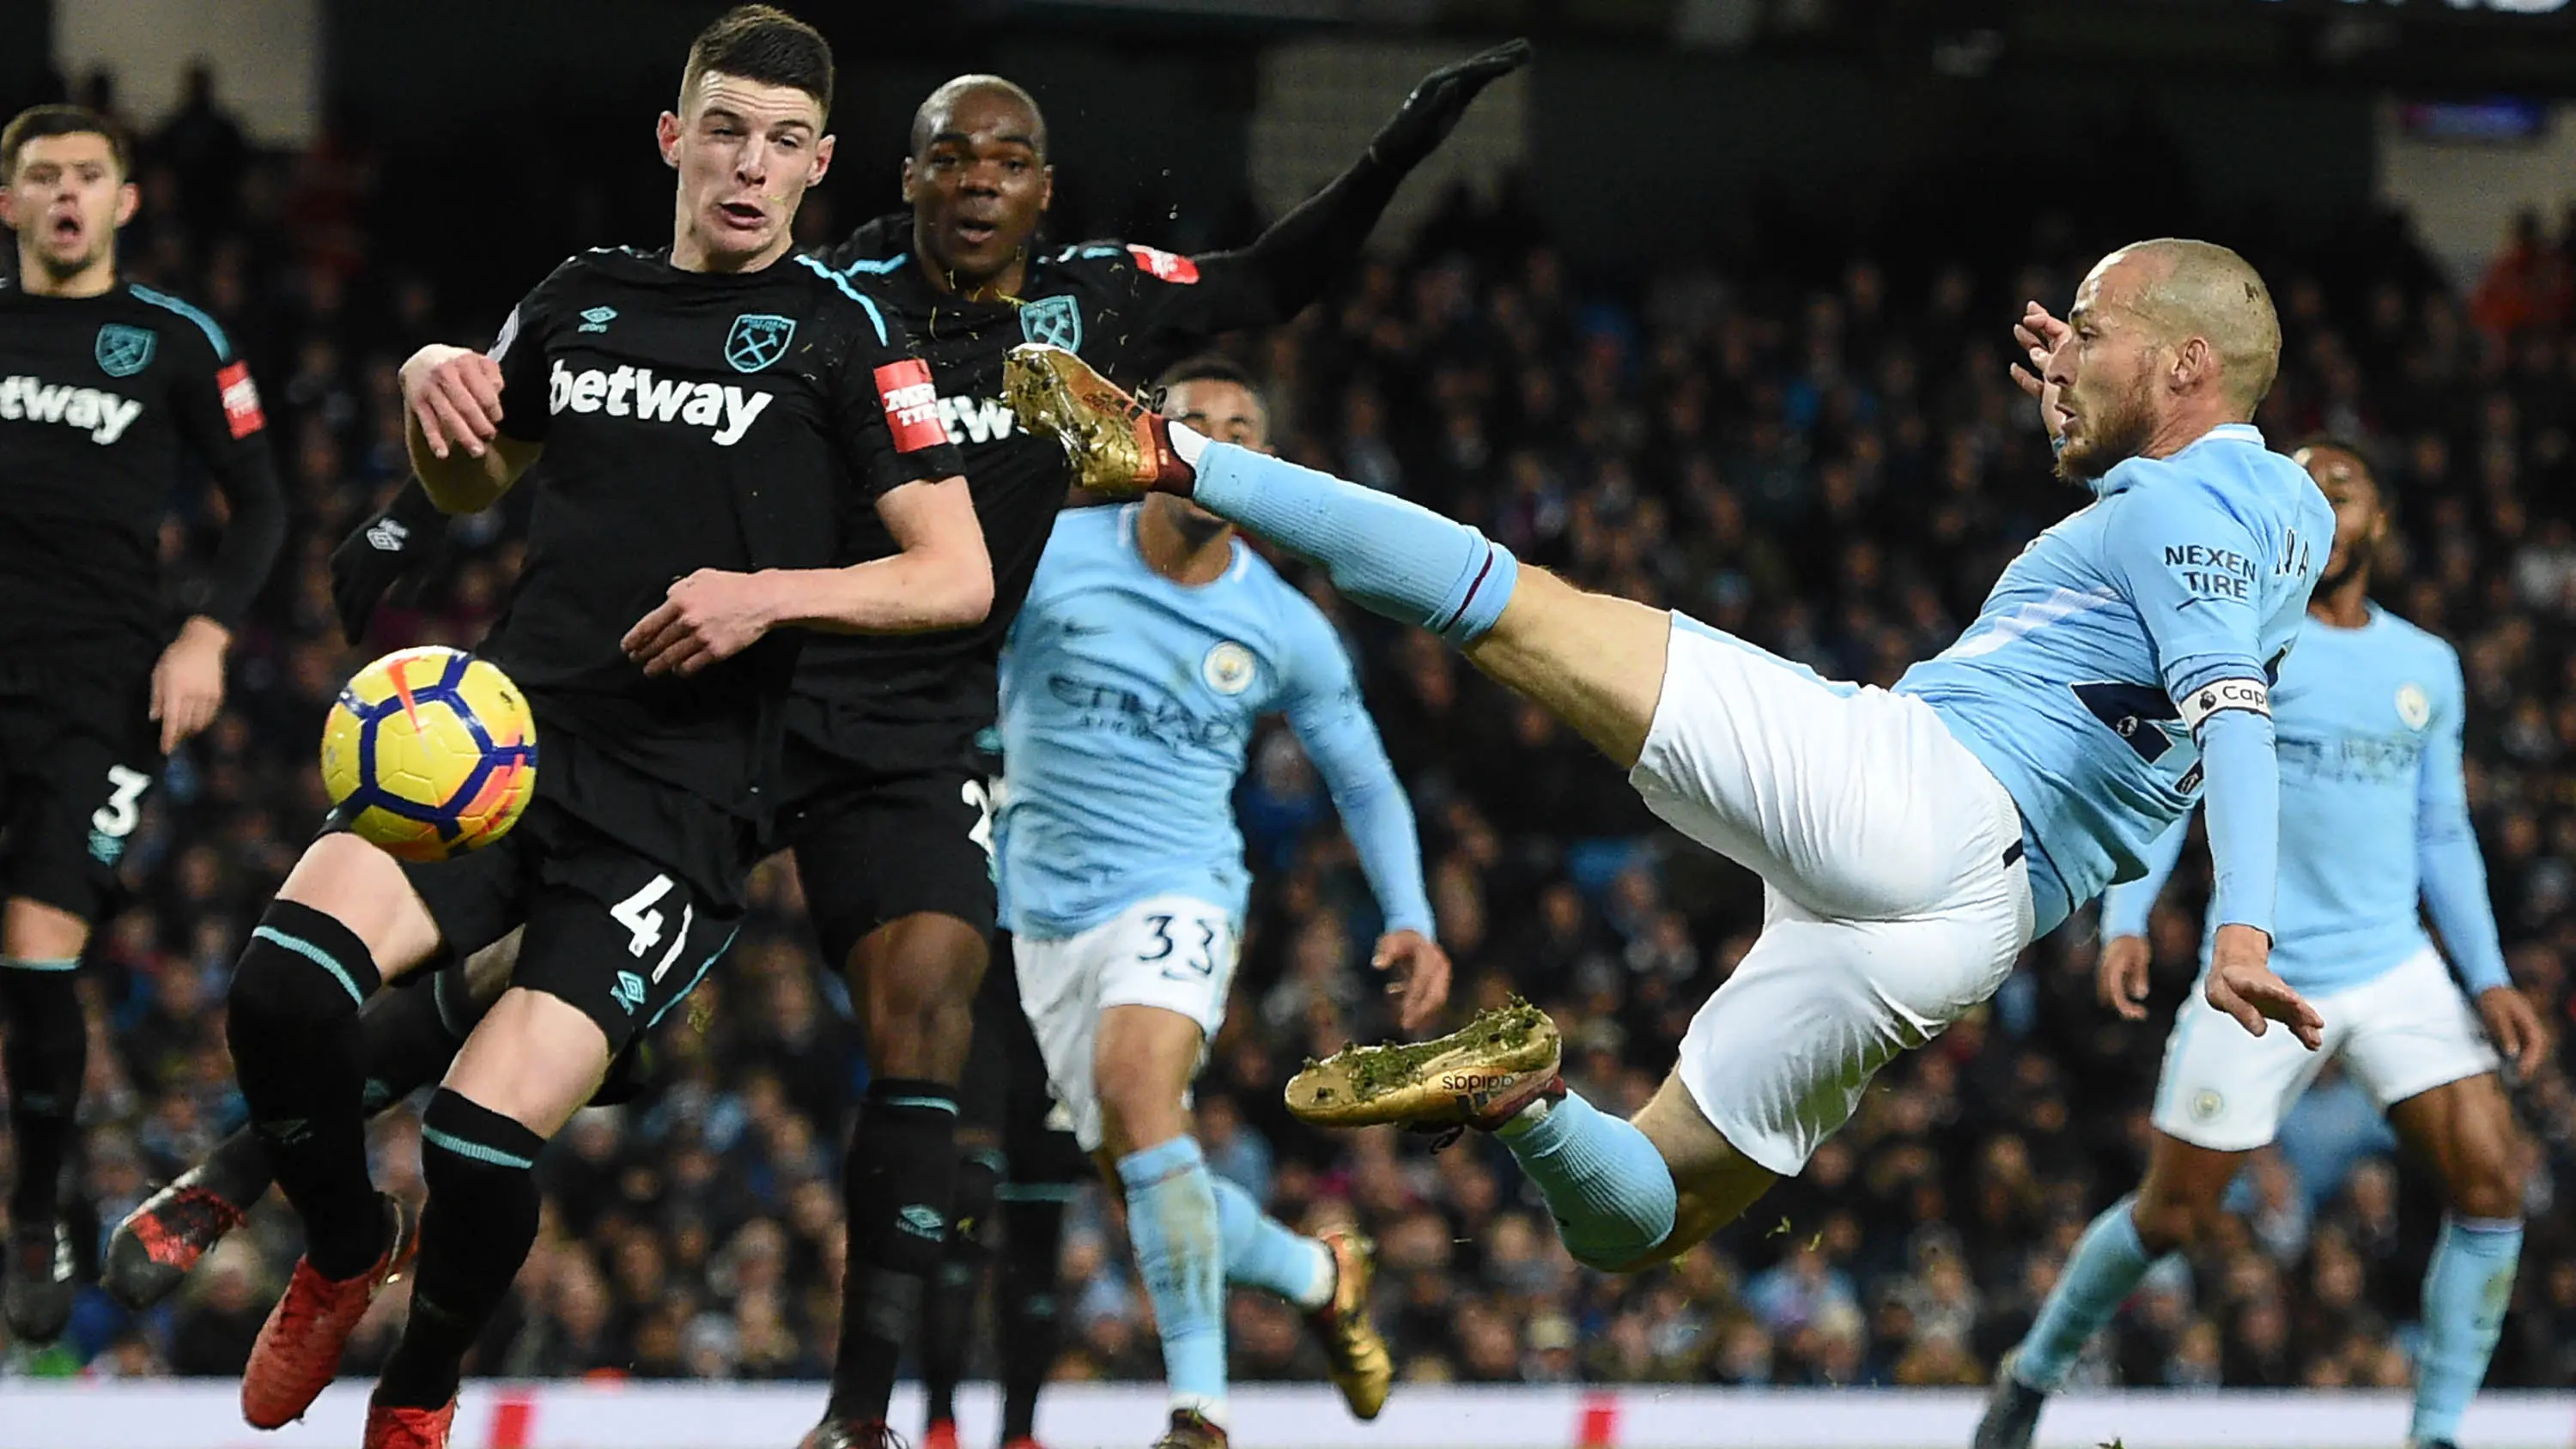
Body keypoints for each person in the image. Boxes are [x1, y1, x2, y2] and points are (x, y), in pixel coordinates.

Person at [117, 45, 1527, 1449]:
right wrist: (410, 507)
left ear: (1045, 190)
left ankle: (863, 1411)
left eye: (1006, 161)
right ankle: (272, 1164)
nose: (975, 184)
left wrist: (1398, 152)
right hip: (730, 690)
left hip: (897, 728)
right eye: (949, 157)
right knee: (517, 991)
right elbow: (561, 427)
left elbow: (1271, 280)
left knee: (922, 1021)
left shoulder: (1087, 298)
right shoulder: (837, 285)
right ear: (898, 175)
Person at [1002, 236, 2334, 1286]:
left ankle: (1168, 453)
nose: (2063, 355)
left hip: (1916, 788)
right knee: (1636, 1220)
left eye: (2092, 336)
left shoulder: (2174, 507)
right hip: (1976, 926)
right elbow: (2181, 600)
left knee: (1516, 610)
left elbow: (2231, 712)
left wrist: (2244, 925)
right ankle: (1524, 1104)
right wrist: (2094, 402)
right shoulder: (2290, 521)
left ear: (2186, 365)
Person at [218, 10, 984, 1448]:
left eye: (780, 143)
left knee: (477, 1132)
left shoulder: (844, 331)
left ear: (820, 164)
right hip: (505, 751)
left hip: (679, 809)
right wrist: (424, 387)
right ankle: (339, 1242)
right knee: (276, 991)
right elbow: (468, 483)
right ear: (673, 136)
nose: (747, 166)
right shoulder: (580, 294)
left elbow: (956, 571)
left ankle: (425, 1382)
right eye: (725, 130)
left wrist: (770, 597)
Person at [1973, 438, 2537, 1449]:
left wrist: (2487, 975)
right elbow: (2171, 786)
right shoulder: (2246, 632)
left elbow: (2441, 831)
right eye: (2306, 484)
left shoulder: (2427, 665)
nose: (2324, 492)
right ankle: (2035, 1371)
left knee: (2496, 1184)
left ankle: (2437, 1432)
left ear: (2380, 524)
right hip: (2257, 976)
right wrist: (2128, 920)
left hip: (2394, 963)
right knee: (2170, 1217)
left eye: (2346, 484)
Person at [997, 356, 1449, 1449]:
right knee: (1139, 1174)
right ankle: (1316, 1269)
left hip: (1181, 889)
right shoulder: (1045, 552)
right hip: (1039, 909)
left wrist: (1412, 912)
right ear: (1147, 435)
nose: (1217, 445)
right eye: (1194, 422)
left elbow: (1363, 773)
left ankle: (1200, 1412)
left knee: (1140, 1095)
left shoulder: (1285, 625)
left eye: (1241, 431)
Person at [0, 101, 284, 1343]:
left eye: (88, 176)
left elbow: (261, 505)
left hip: (97, 690)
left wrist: (207, 632)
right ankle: (46, 1190)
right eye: (42, 176)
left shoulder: (172, 338)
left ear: (126, 200)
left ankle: (37, 1208)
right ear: (6, 203)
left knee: (36, 939)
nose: (66, 195)